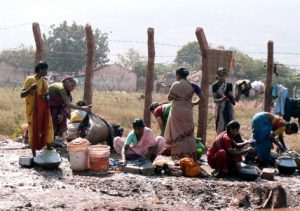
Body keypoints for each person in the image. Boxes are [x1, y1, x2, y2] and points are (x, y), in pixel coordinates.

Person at [164, 67, 202, 161]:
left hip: (177, 111)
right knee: (188, 134)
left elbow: (169, 98)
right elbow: (203, 98)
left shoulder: (176, 84)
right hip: (188, 111)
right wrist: (193, 103)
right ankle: (190, 157)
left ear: (178, 75)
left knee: (176, 133)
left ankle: (177, 157)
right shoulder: (193, 85)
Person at [20, 61, 54, 156]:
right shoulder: (30, 79)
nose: (46, 72)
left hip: (43, 109)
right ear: (39, 70)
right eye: (45, 70)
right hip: (32, 110)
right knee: (33, 128)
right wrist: (30, 89)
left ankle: (49, 150)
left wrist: (47, 97)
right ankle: (34, 153)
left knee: (48, 125)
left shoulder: (44, 81)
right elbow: (22, 94)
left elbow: (46, 94)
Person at [48, 76, 91, 140]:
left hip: (58, 107)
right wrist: (83, 108)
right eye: (72, 86)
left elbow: (66, 103)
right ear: (67, 82)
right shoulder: (61, 88)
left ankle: (55, 137)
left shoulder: (66, 90)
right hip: (51, 105)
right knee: (54, 120)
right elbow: (68, 104)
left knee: (61, 118)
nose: (73, 88)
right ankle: (51, 138)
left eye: (74, 86)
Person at [212, 67, 235, 134]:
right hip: (219, 109)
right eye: (220, 76)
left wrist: (231, 98)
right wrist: (222, 99)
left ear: (225, 76)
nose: (221, 77)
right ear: (217, 76)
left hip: (228, 108)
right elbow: (215, 99)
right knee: (220, 126)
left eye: (223, 75)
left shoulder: (229, 85)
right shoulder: (215, 86)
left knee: (230, 124)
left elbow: (231, 97)